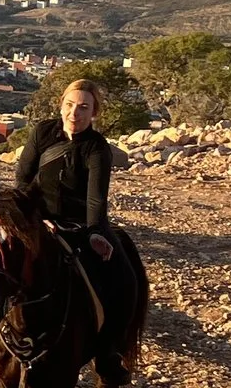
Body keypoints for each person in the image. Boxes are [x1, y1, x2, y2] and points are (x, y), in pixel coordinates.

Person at [13, 76, 147, 358]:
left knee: (122, 272)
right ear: (60, 105)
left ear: (94, 112)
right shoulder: (42, 132)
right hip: (39, 219)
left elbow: (96, 197)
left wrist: (96, 232)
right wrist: (36, 219)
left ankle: (112, 348)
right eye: (70, 105)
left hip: (80, 224)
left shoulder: (97, 147)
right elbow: (23, 180)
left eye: (84, 107)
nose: (75, 113)